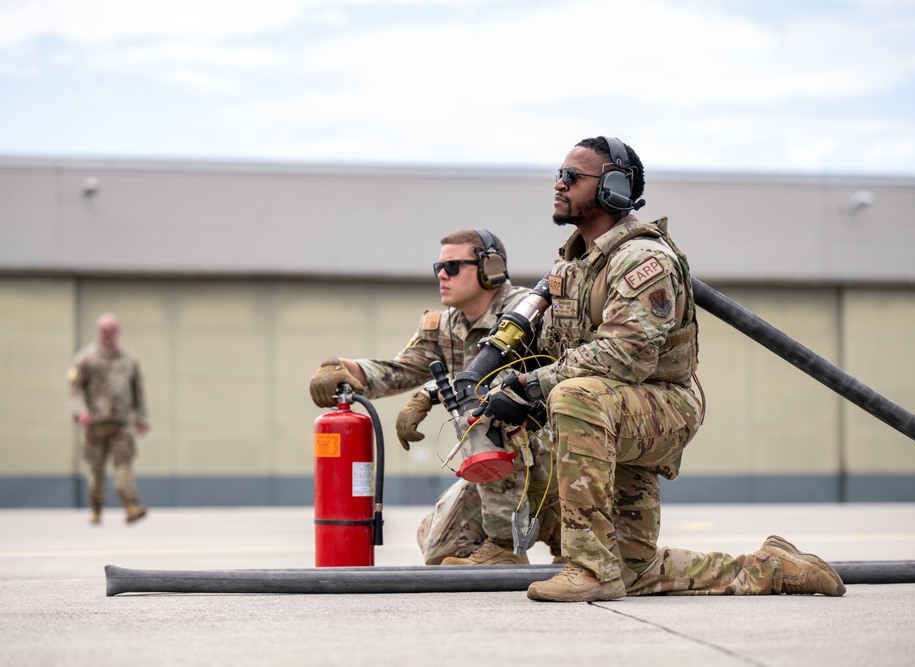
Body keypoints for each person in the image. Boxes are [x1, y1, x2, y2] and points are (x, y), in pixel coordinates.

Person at [479, 136, 847, 601]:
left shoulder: (643, 258)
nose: (559, 183)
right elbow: (560, 351)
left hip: (660, 407)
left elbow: (626, 353)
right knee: (636, 569)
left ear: (613, 187)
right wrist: (512, 384)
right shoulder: (573, 266)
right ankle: (774, 568)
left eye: (573, 177)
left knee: (572, 396)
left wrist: (535, 386)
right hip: (613, 407)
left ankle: (589, 569)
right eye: (559, 174)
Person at [309, 229, 561, 565]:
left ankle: (510, 547)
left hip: (555, 458)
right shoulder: (442, 326)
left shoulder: (527, 313)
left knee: (493, 413)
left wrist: (429, 394)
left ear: (492, 268)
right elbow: (400, 370)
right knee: (438, 547)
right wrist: (347, 370)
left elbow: (505, 385)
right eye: (438, 267)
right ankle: (546, 538)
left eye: (454, 266)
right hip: (505, 472)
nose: (442, 275)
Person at [69, 313, 149, 525]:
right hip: (94, 424)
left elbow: (138, 392)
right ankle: (96, 509)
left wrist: (141, 418)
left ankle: (130, 506)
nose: (108, 334)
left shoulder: (129, 360)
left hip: (121, 423)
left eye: (111, 330)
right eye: (104, 330)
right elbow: (75, 389)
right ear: (98, 332)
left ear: (118, 332)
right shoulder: (85, 359)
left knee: (124, 466)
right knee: (95, 469)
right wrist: (80, 411)